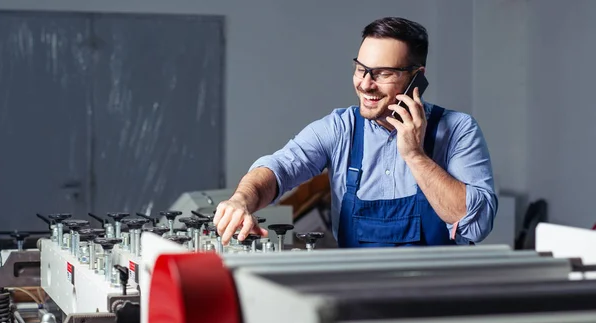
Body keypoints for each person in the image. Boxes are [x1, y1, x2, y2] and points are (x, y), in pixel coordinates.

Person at [213, 16, 498, 247]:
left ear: (417, 78)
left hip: (437, 302)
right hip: (357, 294)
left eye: (382, 73)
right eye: (361, 69)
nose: (365, 84)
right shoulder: (339, 129)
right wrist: (241, 199)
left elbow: (476, 225)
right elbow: (279, 169)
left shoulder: (459, 130)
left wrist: (415, 155)